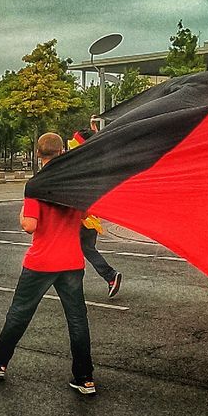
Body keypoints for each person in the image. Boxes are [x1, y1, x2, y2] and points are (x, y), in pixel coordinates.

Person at [0, 132, 97, 394]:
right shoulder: (75, 182)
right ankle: (84, 377)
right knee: (77, 319)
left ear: (39, 154)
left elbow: (30, 226)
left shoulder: (36, 184)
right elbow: (86, 214)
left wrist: (22, 214)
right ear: (63, 151)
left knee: (20, 312)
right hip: (72, 260)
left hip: (42, 261)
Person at [68, 126, 123, 298]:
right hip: (91, 217)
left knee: (71, 249)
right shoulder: (95, 163)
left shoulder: (78, 166)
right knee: (87, 249)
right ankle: (109, 276)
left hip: (81, 218)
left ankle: (108, 276)